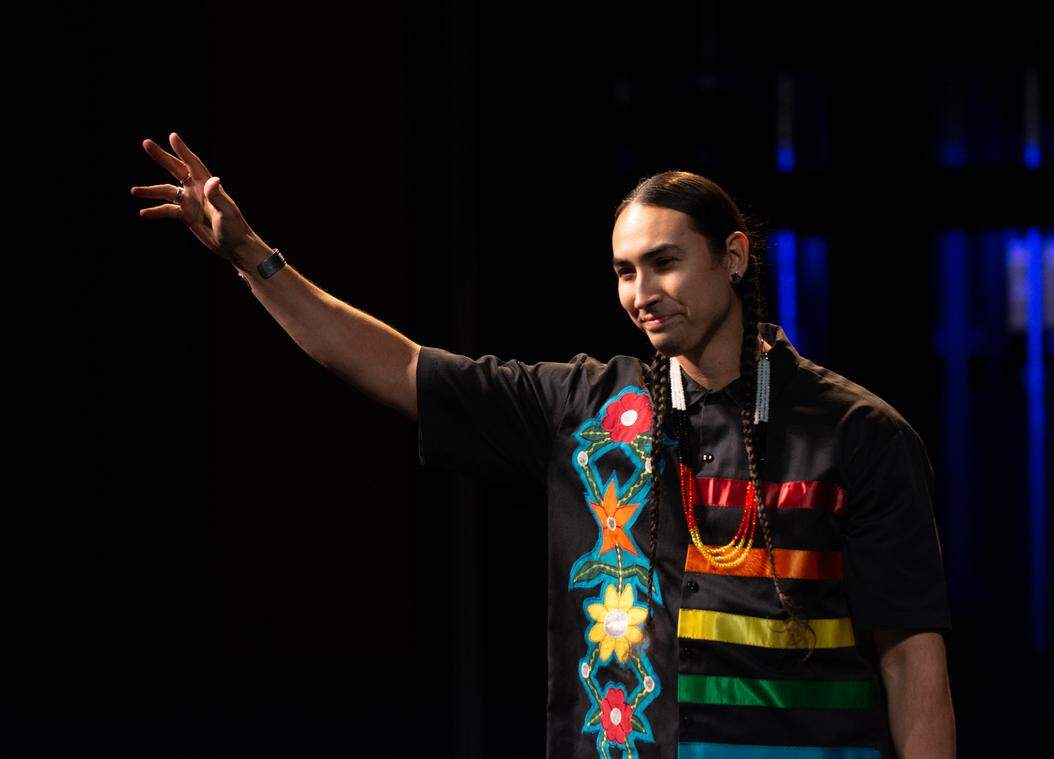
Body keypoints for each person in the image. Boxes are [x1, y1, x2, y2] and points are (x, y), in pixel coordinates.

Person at [132, 133, 955, 758]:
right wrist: (252, 257)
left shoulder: (859, 433)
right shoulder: (589, 407)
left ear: (733, 255)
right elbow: (402, 366)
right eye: (624, 271)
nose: (641, 293)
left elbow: (912, 659)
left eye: (664, 263)